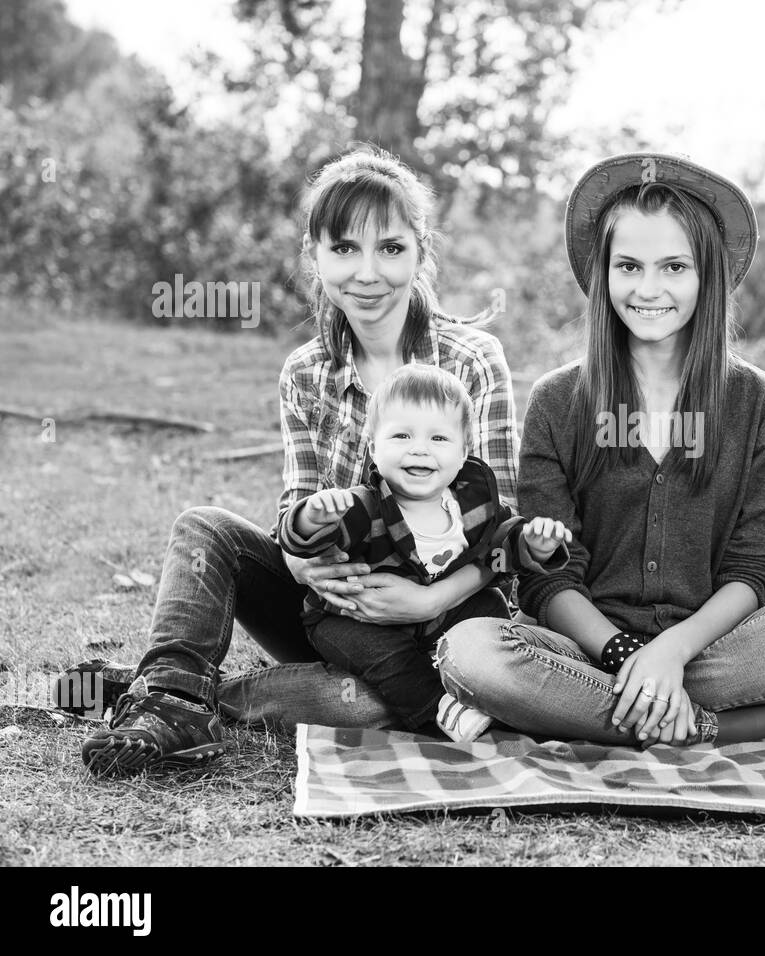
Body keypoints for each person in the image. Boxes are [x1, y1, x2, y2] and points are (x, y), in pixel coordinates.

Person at [75, 145, 520, 775]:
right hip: (332, 613)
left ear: (421, 254)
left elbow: (507, 520)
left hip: (439, 624)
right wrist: (306, 567)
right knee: (206, 529)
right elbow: (296, 510)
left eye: (391, 248)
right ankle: (173, 693)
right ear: (314, 255)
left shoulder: (472, 361)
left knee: (366, 707)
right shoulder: (306, 372)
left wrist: (425, 602)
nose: (367, 274)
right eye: (344, 249)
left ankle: (171, 695)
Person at [435, 152, 765, 747]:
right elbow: (549, 577)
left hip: (714, 649)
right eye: (629, 266)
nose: (649, 289)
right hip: (589, 648)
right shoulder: (557, 400)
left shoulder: (759, 402)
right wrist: (628, 654)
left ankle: (597, 713)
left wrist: (670, 653)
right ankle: (708, 727)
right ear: (603, 274)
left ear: (708, 276)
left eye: (674, 266)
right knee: (470, 653)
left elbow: (753, 568)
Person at [278, 364, 570, 738]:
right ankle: (438, 709)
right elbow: (303, 539)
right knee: (387, 659)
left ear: (464, 452)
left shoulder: (474, 503)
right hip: (358, 620)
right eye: (401, 435)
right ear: (373, 448)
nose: (419, 449)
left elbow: (500, 548)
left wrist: (532, 545)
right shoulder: (362, 508)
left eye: (438, 439)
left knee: (492, 609)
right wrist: (311, 517)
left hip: (439, 615)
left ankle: (491, 686)